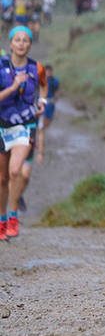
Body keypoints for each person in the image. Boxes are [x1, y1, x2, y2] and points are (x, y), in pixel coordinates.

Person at [0, 26, 47, 241]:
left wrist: (43, 102)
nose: (21, 44)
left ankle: (13, 215)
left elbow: (44, 86)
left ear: (30, 44)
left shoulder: (37, 68)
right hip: (3, 125)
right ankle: (1, 219)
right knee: (1, 179)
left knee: (15, 170)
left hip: (25, 125)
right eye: (17, 40)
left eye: (25, 40)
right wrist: (13, 87)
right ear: (10, 44)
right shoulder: (1, 67)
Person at [42, 65, 59, 129]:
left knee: (48, 120)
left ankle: (43, 129)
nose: (48, 73)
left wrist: (55, 98)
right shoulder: (41, 80)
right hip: (42, 102)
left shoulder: (54, 81)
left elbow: (57, 90)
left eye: (49, 71)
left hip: (50, 102)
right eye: (47, 71)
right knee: (43, 119)